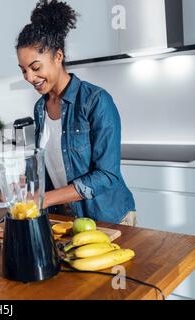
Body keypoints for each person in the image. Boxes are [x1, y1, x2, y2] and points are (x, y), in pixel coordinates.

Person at [16, 0, 136, 225]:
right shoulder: (41, 108)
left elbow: (107, 175)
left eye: (35, 67)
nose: (29, 78)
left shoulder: (95, 101)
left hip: (109, 219)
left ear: (58, 57)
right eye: (23, 70)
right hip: (68, 219)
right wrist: (24, 184)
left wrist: (43, 199)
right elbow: (49, 164)